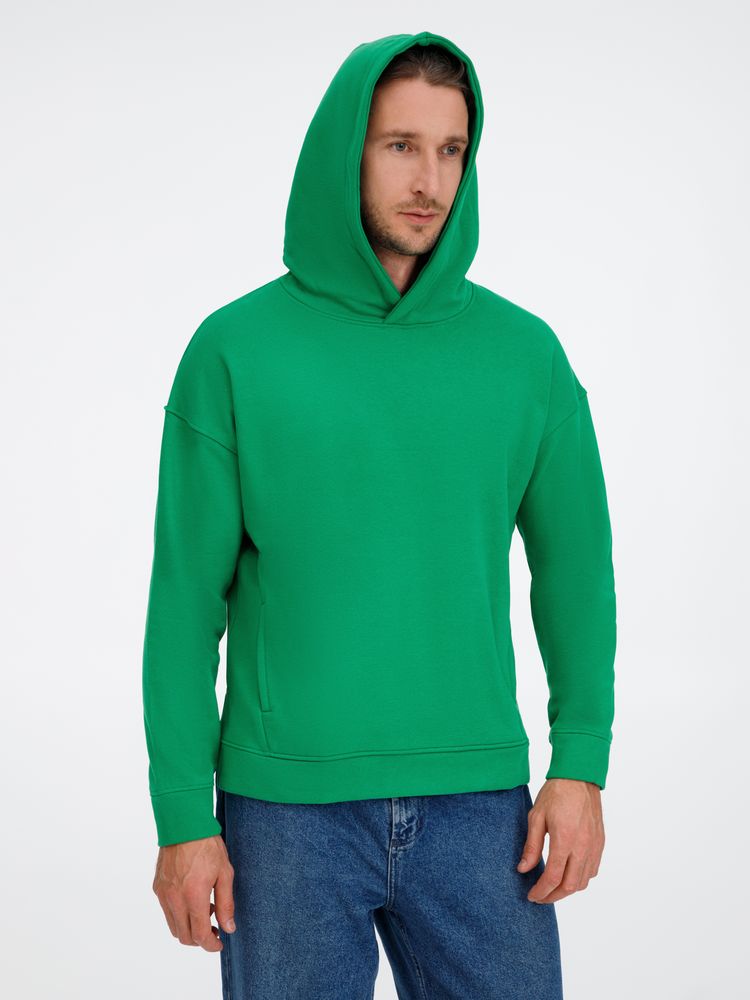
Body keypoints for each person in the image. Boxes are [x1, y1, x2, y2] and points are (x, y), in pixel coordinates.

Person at [142, 30, 617, 1000]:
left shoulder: (525, 356)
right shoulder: (234, 351)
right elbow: (185, 603)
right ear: (344, 152)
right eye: (401, 145)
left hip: (482, 809)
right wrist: (185, 817)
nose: (429, 180)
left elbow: (577, 573)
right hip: (286, 814)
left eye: (451, 150)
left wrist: (581, 763)